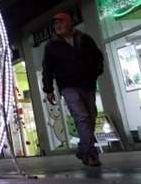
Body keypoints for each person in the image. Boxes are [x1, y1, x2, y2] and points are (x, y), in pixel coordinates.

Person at [42, 12, 104, 167]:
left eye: (61, 22)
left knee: (90, 117)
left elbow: (97, 56)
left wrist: (95, 72)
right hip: (68, 86)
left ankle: (83, 150)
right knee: (82, 117)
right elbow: (47, 68)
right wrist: (48, 89)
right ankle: (91, 154)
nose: (58, 26)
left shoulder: (84, 39)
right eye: (56, 24)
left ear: (70, 22)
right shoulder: (52, 45)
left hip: (87, 84)